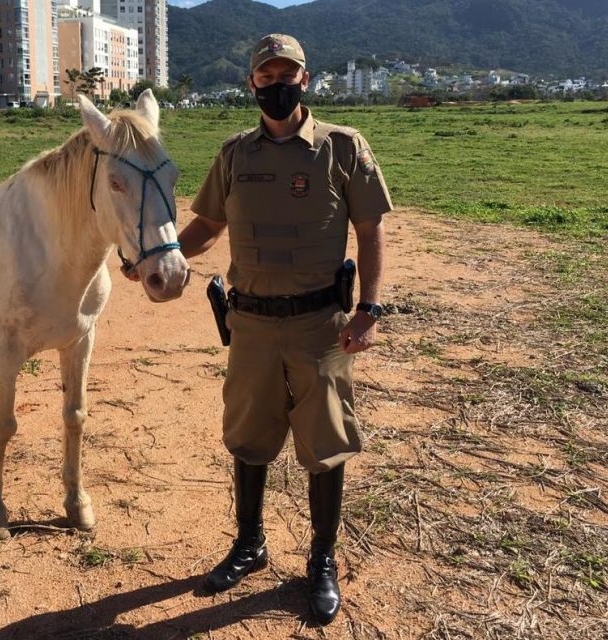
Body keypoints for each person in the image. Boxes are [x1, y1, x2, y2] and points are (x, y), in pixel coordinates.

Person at [128, 33, 392, 625]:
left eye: (287, 76)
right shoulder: (234, 156)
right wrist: (156, 254)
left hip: (320, 327)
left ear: (306, 79)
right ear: (252, 84)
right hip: (249, 324)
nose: (278, 86)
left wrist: (368, 310)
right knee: (248, 437)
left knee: (325, 445)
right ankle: (250, 544)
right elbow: (207, 227)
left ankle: (320, 559)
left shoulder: (341, 148)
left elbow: (371, 231)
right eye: (266, 78)